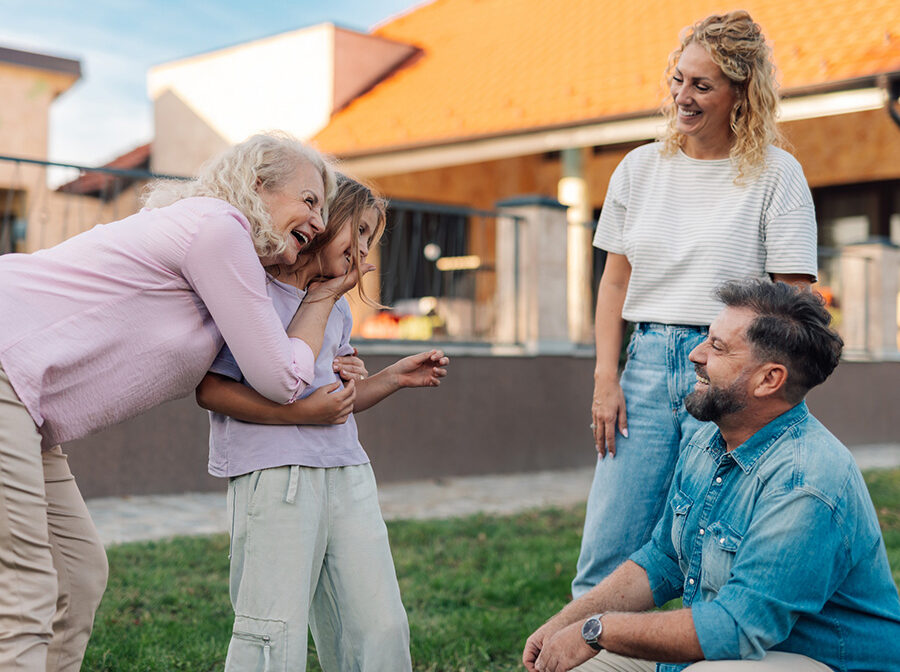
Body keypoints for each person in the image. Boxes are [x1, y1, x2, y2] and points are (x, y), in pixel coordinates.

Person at [0, 133, 366, 672]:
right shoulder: (216, 228)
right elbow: (281, 377)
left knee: (76, 575)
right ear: (258, 185)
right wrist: (322, 295)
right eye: (309, 200)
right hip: (6, 373)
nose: (318, 220)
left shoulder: (222, 252)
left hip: (26, 405)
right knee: (27, 586)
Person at [525, 279, 900, 672]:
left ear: (769, 380)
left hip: (816, 661)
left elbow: (736, 629)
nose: (695, 354)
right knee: (571, 666)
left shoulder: (804, 482)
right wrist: (564, 623)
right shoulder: (708, 440)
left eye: (718, 347)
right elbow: (662, 560)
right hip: (728, 653)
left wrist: (598, 629)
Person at [575, 10, 819, 598]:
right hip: (648, 362)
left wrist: (756, 383)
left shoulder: (776, 174)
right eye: (678, 79)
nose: (682, 96)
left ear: (741, 94)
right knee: (607, 545)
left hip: (729, 367)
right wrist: (607, 377)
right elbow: (614, 283)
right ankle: (580, 654)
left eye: (702, 85)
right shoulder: (639, 169)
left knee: (712, 549)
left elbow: (794, 300)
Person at [195, 174, 450, 672]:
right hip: (276, 478)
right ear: (325, 221)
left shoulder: (336, 309)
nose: (362, 250)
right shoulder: (255, 293)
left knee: (380, 626)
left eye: (371, 240)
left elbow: (336, 404)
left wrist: (391, 378)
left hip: (347, 471)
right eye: (356, 231)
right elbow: (211, 389)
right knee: (272, 631)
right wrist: (299, 414)